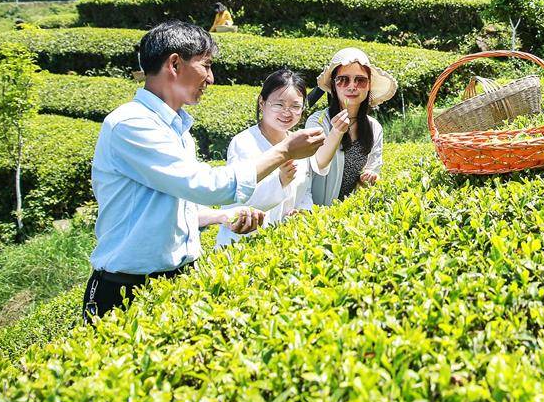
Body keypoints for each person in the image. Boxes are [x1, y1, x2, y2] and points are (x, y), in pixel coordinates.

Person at [84, 22, 326, 323]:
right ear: (174, 63)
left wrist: (221, 217)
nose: (210, 78)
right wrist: (285, 151)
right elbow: (207, 185)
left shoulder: (177, 128)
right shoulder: (132, 124)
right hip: (127, 288)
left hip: (174, 281)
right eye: (206, 65)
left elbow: (174, 203)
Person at [216, 69, 313, 248]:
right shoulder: (244, 142)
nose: (287, 112)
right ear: (262, 102)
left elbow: (305, 190)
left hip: (283, 244)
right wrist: (280, 182)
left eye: (295, 106)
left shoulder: (298, 142)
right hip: (243, 244)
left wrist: (302, 211)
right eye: (279, 104)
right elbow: (238, 198)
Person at [305, 48, 397, 204]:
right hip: (315, 213)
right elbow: (318, 163)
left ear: (369, 86)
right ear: (334, 86)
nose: (352, 86)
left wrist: (369, 175)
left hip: (349, 214)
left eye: (360, 80)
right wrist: (336, 132)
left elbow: (372, 168)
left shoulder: (374, 127)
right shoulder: (319, 121)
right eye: (343, 80)